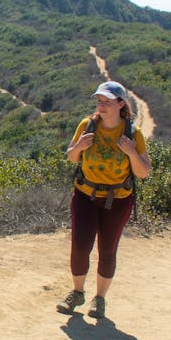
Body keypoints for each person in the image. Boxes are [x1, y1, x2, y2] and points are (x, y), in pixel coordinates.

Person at [56, 80, 151, 319]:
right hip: (85, 195)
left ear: (121, 104)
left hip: (117, 199)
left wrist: (131, 152)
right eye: (99, 101)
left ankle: (99, 299)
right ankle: (77, 293)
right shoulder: (87, 125)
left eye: (106, 102)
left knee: (107, 249)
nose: (101, 106)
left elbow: (143, 172)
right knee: (79, 247)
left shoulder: (133, 133)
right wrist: (79, 146)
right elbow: (71, 157)